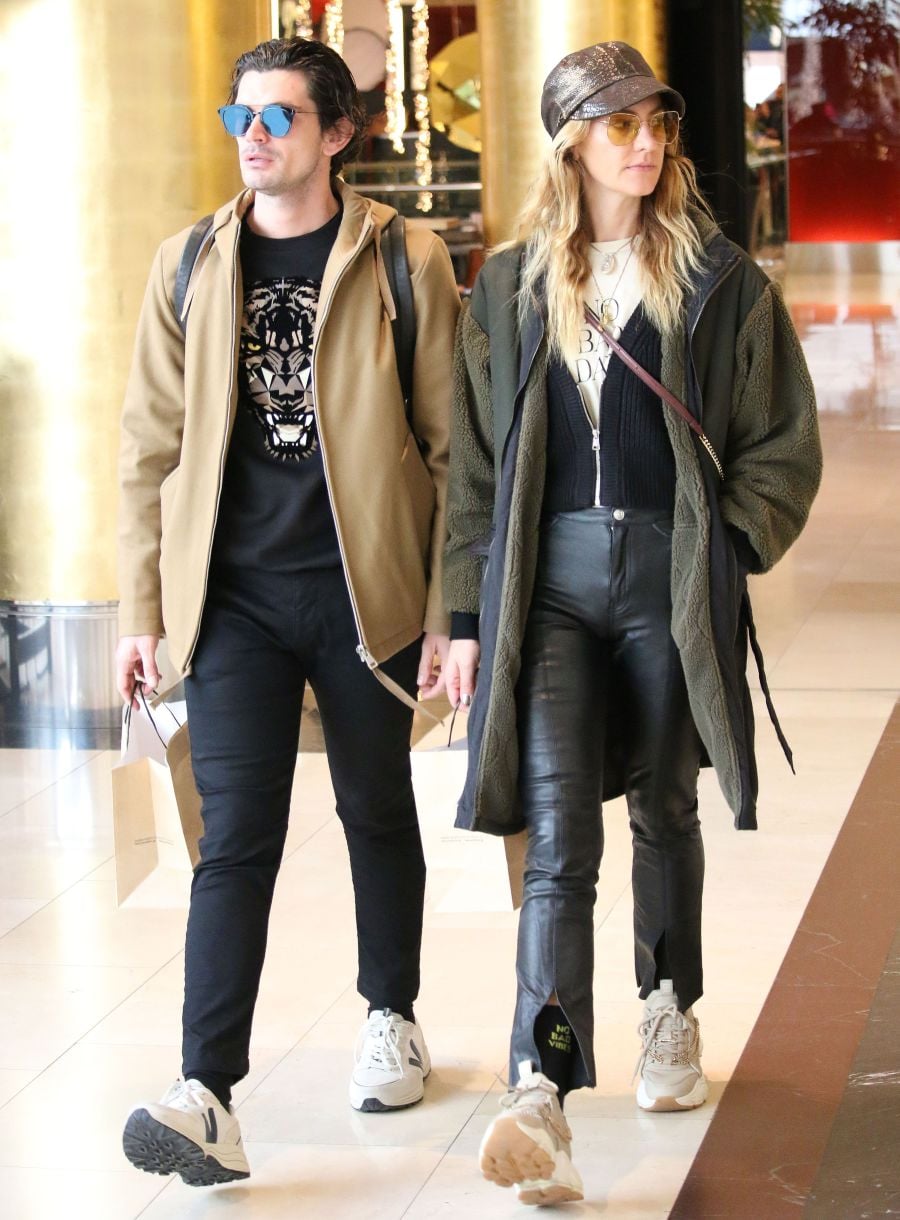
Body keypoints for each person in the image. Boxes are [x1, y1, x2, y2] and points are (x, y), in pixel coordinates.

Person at [443, 41, 822, 1205]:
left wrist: (727, 549)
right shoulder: (509, 286)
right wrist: (464, 612)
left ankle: (669, 1010)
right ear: (571, 141)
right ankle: (543, 1085)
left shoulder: (719, 279)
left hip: (667, 579)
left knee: (664, 807)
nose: (648, 143)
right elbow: (473, 467)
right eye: (621, 125)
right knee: (559, 833)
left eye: (657, 122)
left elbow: (784, 441)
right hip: (550, 588)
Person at [115, 37, 459, 1186]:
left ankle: (391, 1012)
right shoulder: (189, 262)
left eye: (278, 117)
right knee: (233, 839)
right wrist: (142, 609)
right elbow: (147, 449)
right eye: (241, 117)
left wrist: (449, 610)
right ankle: (206, 1090)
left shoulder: (403, 257)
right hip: (233, 606)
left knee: (375, 807)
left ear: (336, 132)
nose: (253, 136)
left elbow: (454, 450)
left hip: (367, 591)